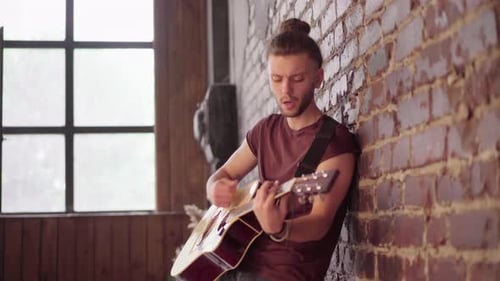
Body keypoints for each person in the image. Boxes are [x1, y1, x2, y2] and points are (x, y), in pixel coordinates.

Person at [206, 18, 359, 281]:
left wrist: (280, 229)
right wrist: (214, 189)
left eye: (297, 79)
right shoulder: (265, 130)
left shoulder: (335, 143)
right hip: (240, 266)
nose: (285, 91)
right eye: (276, 79)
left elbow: (321, 221)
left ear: (318, 78)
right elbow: (222, 175)